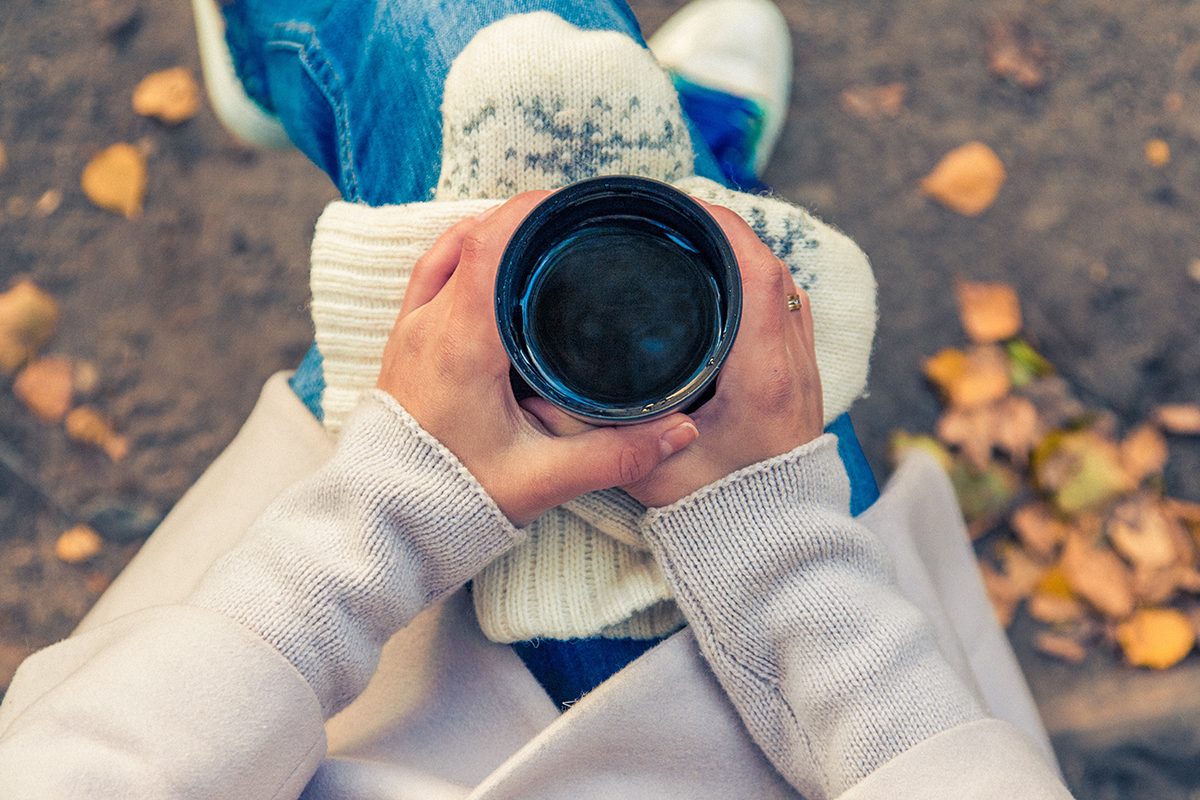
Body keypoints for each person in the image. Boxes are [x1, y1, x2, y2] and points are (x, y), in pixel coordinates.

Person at [0, 0, 1074, 797]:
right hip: (822, 719)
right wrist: (777, 548)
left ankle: (278, 58)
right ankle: (707, 146)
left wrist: (400, 501)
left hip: (332, 713)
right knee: (620, 167)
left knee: (465, 38)